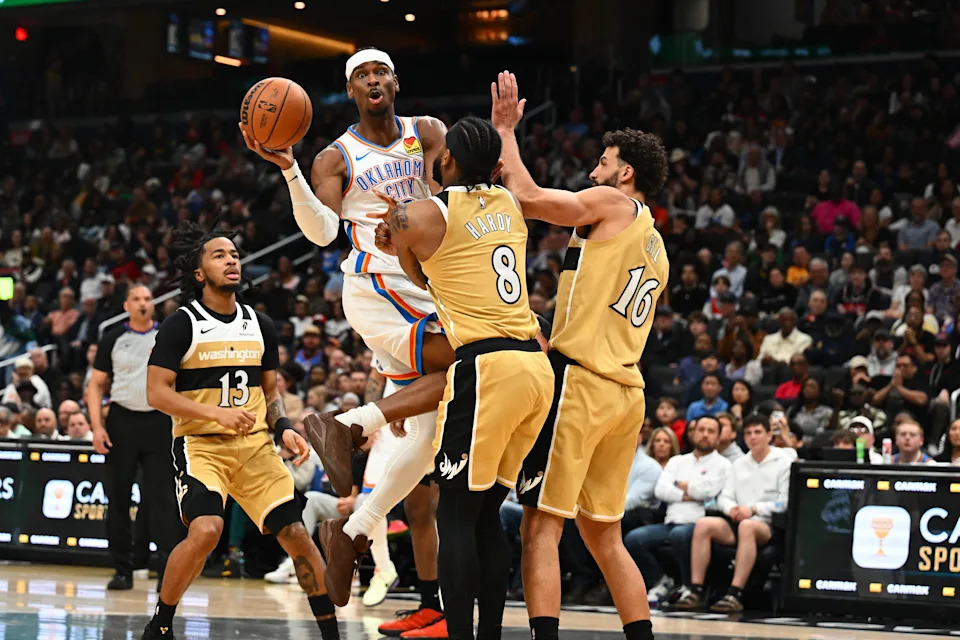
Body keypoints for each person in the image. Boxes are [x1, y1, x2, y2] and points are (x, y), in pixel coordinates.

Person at [241, 47, 449, 635]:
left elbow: (442, 201)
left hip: (429, 282)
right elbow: (325, 232)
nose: (373, 81)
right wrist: (289, 169)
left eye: (381, 71)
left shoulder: (427, 133)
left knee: (429, 447)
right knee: (472, 364)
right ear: (352, 93)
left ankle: (356, 533)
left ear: (396, 81)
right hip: (376, 286)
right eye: (361, 76)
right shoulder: (336, 155)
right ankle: (349, 424)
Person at [345, 115, 553, 640]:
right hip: (534, 366)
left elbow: (418, 274)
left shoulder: (422, 214)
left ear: (449, 161)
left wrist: (397, 232)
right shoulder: (511, 204)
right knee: (486, 516)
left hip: (487, 368)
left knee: (456, 516)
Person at [495, 73, 667, 640]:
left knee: (540, 527)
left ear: (626, 174)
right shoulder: (657, 244)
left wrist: (506, 132)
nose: (594, 170)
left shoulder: (613, 202)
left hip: (583, 385)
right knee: (604, 536)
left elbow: (531, 200)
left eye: (604, 161)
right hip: (626, 393)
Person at [140, 222, 340, 640]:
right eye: (219, 255)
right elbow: (156, 393)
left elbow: (271, 390)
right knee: (207, 531)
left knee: (298, 535)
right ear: (199, 274)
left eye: (234, 254)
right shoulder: (182, 324)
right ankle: (161, 623)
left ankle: (330, 633)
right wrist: (214, 414)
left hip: (254, 448)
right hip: (201, 445)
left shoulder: (260, 323)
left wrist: (283, 426)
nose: (231, 260)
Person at [86, 285, 184, 591]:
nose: (143, 303)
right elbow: (95, 385)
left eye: (147, 299)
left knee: (163, 500)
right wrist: (97, 427)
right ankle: (122, 570)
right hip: (122, 421)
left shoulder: (167, 335)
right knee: (118, 497)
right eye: (137, 299)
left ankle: (165, 570)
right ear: (127, 305)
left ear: (152, 305)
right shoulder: (112, 338)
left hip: (159, 421)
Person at [669, 415, 790, 613]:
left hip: (767, 523)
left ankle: (735, 593)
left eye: (758, 432)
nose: (753, 437)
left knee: (747, 526)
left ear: (769, 435)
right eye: (749, 433)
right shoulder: (739, 463)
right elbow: (724, 497)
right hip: (738, 518)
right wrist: (731, 509)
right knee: (704, 524)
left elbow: (784, 502)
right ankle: (696, 589)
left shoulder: (783, 462)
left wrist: (753, 509)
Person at [625, 416, 731, 606]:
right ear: (693, 433)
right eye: (701, 429)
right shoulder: (677, 461)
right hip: (670, 521)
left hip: (699, 523)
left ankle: (690, 587)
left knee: (679, 535)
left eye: (711, 431)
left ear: (718, 437)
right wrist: (692, 492)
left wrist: (680, 485)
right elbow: (661, 490)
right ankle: (661, 581)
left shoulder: (724, 465)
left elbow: (710, 492)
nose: (705, 435)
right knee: (634, 539)